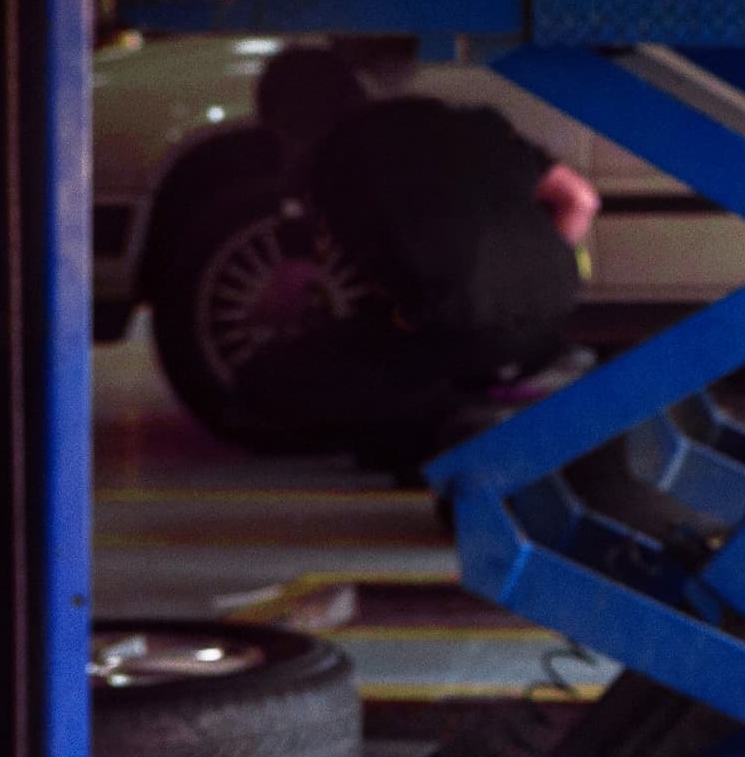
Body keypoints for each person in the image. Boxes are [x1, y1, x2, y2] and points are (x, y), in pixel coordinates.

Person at [239, 48, 598, 469]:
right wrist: (529, 273)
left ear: (291, 121)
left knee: (265, 380)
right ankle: (497, 395)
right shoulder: (472, 120)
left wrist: (267, 324)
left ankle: (445, 422)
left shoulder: (334, 156)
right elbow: (580, 200)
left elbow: (293, 288)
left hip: (451, 340)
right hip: (547, 330)